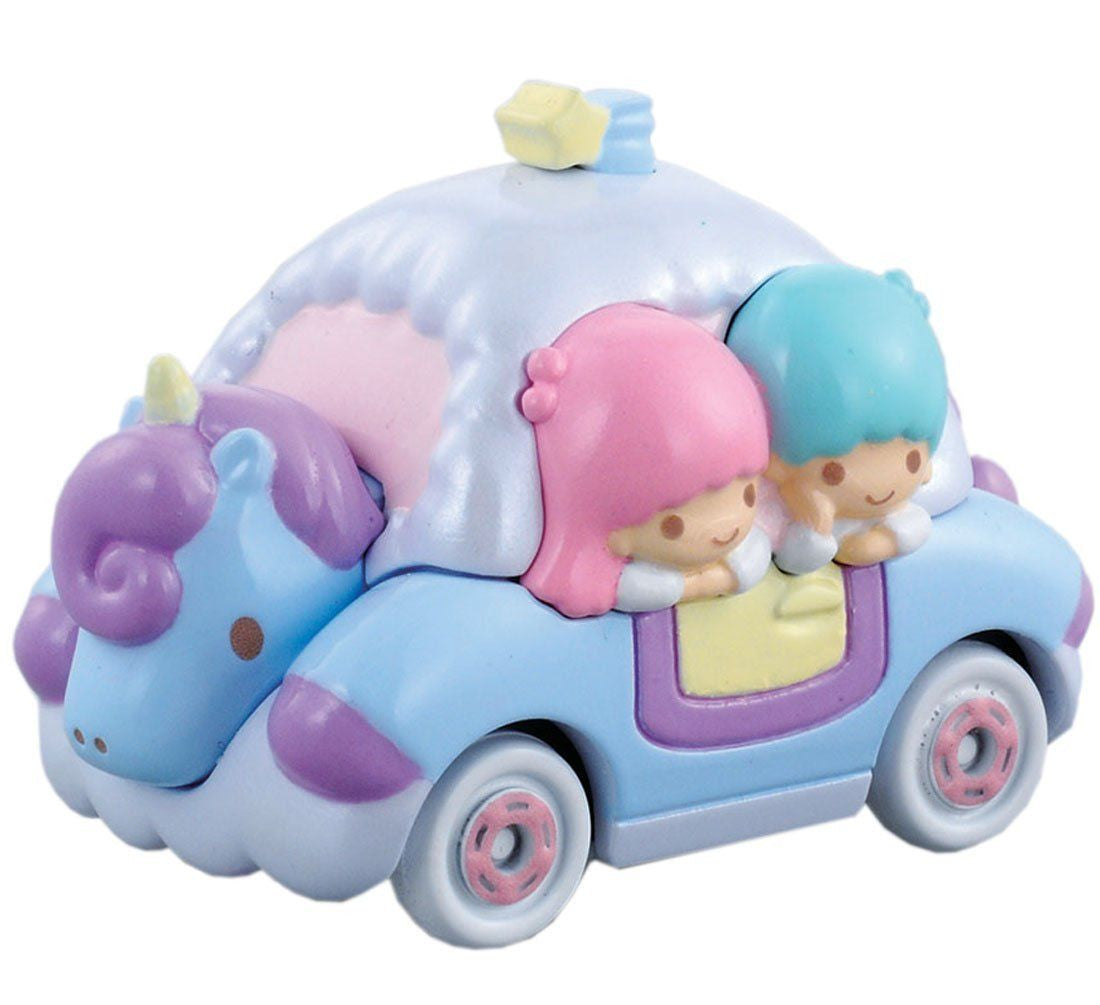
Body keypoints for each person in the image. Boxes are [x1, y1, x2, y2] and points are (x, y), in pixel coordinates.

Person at [519, 303, 771, 618]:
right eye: (672, 526)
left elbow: (757, 555)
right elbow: (637, 589)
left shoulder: (746, 549)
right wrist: (699, 583)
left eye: (748, 496)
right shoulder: (636, 582)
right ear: (616, 534)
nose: (726, 530)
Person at [726, 265, 948, 574]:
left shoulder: (907, 516)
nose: (877, 488)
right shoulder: (768, 516)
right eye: (834, 473)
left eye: (912, 461)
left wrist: (871, 544)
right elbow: (796, 559)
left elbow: (914, 527)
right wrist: (815, 525)